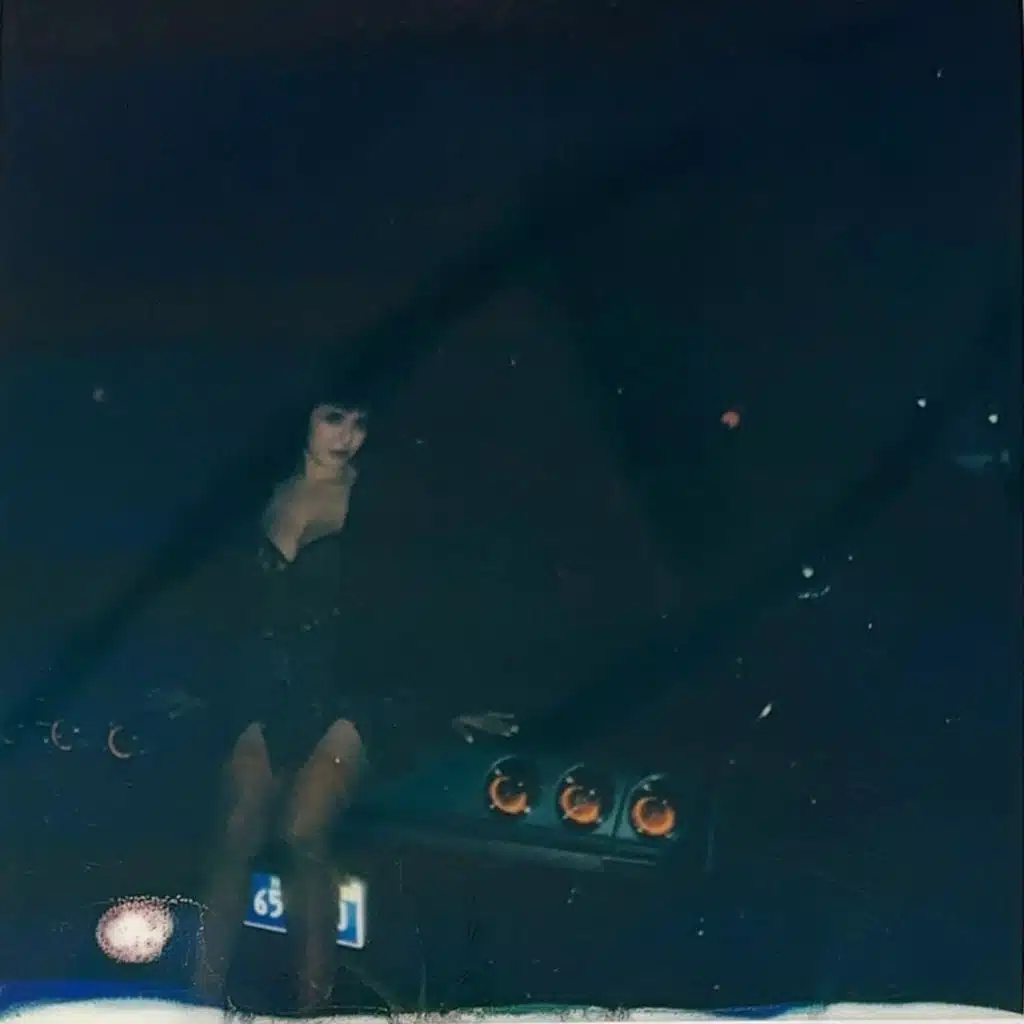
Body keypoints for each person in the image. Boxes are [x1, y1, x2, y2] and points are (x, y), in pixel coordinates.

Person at [194, 399, 518, 1012]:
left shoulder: (381, 501)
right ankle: (198, 1002)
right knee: (235, 830)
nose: (347, 437)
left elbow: (430, 605)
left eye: (361, 423)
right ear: (303, 417)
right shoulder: (262, 494)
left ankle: (314, 1006)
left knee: (302, 829)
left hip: (353, 689)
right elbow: (223, 606)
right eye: (334, 419)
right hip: (267, 688)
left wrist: (455, 699)